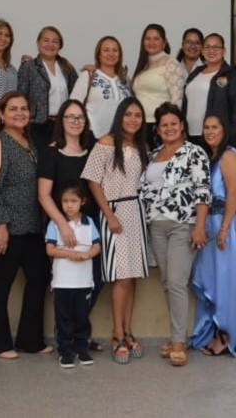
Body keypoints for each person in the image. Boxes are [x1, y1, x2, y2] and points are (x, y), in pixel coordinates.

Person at [139, 103, 212, 367]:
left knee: (177, 282)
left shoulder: (194, 152)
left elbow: (203, 191)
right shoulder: (154, 154)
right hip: (156, 225)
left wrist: (200, 226)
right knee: (168, 284)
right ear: (157, 129)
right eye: (164, 124)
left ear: (182, 125)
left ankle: (179, 342)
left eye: (174, 123)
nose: (169, 128)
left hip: (183, 224)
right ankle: (175, 335)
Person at [82, 97, 151, 363]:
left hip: (136, 213)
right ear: (120, 116)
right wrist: (108, 215)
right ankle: (116, 334)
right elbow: (92, 180)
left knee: (131, 277)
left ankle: (129, 330)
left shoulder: (143, 147)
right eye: (128, 114)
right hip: (115, 212)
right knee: (120, 277)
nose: (133, 119)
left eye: (138, 115)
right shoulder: (105, 143)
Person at [0, 91, 49, 358]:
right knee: (1, 285)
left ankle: (30, 340)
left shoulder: (28, 141)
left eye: (23, 108)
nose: (20, 113)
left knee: (39, 279)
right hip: (8, 229)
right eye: (13, 109)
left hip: (32, 227)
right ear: (1, 114)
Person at [189, 115, 236, 357]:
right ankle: (215, 331)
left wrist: (224, 229)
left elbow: (234, 194)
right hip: (210, 225)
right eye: (206, 127)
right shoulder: (210, 157)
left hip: (226, 225)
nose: (209, 131)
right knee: (213, 280)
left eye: (215, 126)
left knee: (227, 282)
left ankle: (229, 336)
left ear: (225, 129)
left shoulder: (229, 155)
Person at [38, 100, 102, 342]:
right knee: (67, 287)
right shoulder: (51, 153)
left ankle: (79, 334)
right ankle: (66, 336)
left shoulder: (93, 150)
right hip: (61, 227)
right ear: (61, 121)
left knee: (94, 281)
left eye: (80, 117)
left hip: (90, 225)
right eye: (70, 116)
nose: (76, 121)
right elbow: (43, 194)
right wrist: (62, 225)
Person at [45, 182, 102, 369]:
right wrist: (70, 254)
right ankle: (65, 352)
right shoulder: (55, 223)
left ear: (82, 202)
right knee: (63, 319)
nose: (69, 205)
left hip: (83, 282)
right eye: (65, 201)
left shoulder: (89, 223)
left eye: (74, 201)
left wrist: (87, 255)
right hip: (62, 282)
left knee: (82, 318)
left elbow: (96, 246)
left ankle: (82, 349)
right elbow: (50, 249)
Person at [183, 33, 236, 148]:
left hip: (216, 139)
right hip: (190, 137)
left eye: (216, 47)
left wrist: (229, 139)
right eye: (207, 47)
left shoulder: (231, 76)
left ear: (224, 51)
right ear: (202, 51)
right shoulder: (196, 73)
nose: (211, 50)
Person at [18, 25, 78, 150]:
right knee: (41, 163)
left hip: (63, 125)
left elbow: (76, 95)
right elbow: (21, 97)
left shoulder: (67, 67)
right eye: (46, 40)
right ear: (38, 43)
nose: (50, 44)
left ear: (60, 46)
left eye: (55, 41)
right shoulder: (29, 67)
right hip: (37, 125)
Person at [131, 23, 185, 144]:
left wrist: (168, 127)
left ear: (164, 43)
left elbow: (177, 100)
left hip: (159, 126)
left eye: (156, 39)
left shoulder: (171, 64)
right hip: (139, 125)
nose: (151, 42)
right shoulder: (143, 65)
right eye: (148, 38)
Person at [70, 36, 132, 139]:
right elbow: (73, 107)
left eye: (115, 50)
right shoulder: (88, 75)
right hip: (93, 137)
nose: (111, 54)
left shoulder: (125, 79)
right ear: (98, 54)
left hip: (121, 138)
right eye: (106, 50)